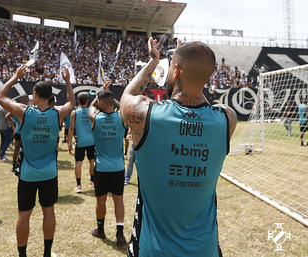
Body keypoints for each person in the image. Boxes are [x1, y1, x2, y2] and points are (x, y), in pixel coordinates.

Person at [120, 38, 237, 256]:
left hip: (152, 250)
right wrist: (192, 66)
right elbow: (204, 107)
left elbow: (127, 96)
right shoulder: (226, 119)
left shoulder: (145, 114)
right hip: (205, 250)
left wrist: (153, 61)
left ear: (176, 70)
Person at [0, 64, 75, 257]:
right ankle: (47, 253)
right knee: (48, 212)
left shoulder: (24, 112)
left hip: (28, 174)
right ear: (51, 96)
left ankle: (23, 255)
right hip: (49, 173)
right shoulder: (57, 114)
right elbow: (72, 103)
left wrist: (15, 76)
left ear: (35, 94)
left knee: (24, 214)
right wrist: (67, 82)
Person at [89, 90, 126, 247]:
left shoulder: (95, 118)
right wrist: (112, 101)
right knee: (118, 201)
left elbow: (92, 106)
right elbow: (121, 106)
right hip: (118, 167)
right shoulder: (122, 117)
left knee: (101, 200)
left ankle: (101, 229)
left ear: (101, 103)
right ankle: (119, 234)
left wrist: (98, 99)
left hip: (102, 167)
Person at [68, 92, 95, 193]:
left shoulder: (75, 112)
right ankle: (92, 181)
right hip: (92, 141)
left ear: (78, 101)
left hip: (80, 142)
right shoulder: (91, 111)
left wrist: (69, 142)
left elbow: (71, 128)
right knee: (92, 161)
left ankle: (79, 185)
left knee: (78, 163)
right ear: (87, 101)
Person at [6, 95, 30, 173]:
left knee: (16, 149)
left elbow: (7, 117)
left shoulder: (17, 107)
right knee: (26, 149)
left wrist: (15, 123)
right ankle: (24, 165)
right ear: (28, 99)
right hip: (26, 132)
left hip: (18, 130)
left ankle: (14, 165)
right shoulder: (30, 108)